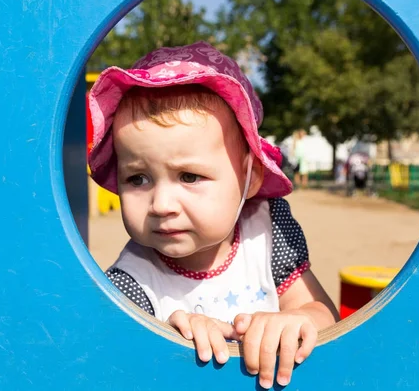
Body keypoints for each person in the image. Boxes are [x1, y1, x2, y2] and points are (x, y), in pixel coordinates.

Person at [88, 41, 339, 389]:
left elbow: (323, 312)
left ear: (250, 177)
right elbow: (113, 363)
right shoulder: (132, 282)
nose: (161, 204)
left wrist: (296, 320)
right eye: (138, 178)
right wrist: (166, 340)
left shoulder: (266, 231)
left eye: (189, 176)